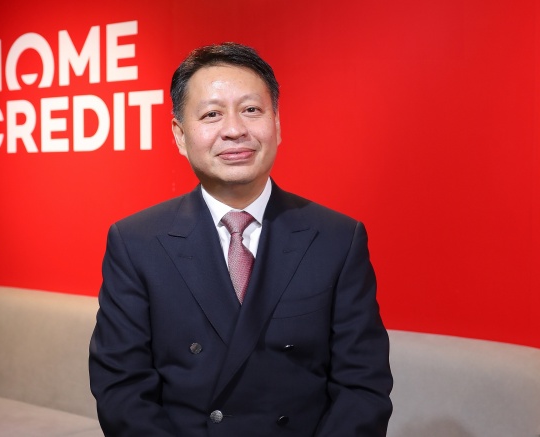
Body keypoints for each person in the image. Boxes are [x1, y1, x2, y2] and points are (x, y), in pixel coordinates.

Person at [89, 42, 393, 436]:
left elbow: (363, 386)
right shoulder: (136, 242)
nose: (234, 130)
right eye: (211, 114)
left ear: (277, 125)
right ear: (180, 135)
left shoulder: (337, 238)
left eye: (251, 110)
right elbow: (122, 389)